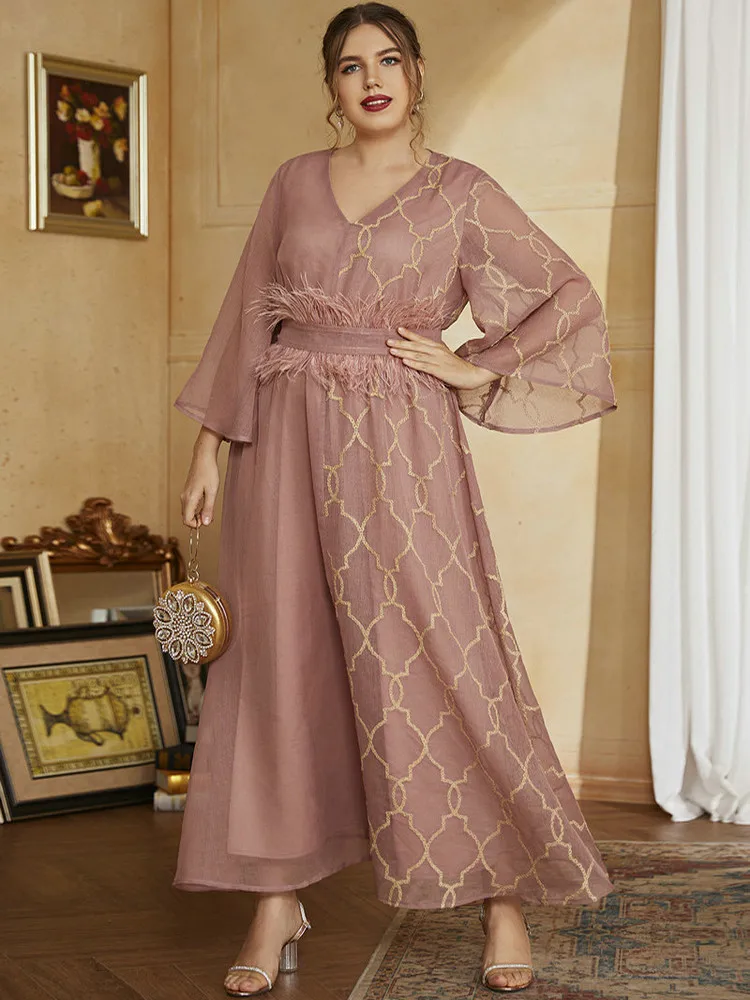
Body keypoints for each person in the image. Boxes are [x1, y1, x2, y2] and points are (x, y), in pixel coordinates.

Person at [173, 3, 618, 996]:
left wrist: (478, 364)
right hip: (283, 441)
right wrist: (210, 446)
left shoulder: (463, 191)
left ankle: (500, 891)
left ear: (417, 73)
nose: (370, 78)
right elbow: (248, 317)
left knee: (442, 651)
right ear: (331, 87)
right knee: (279, 662)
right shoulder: (294, 182)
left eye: (387, 60)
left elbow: (567, 295)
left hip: (404, 446)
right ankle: (275, 898)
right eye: (349, 65)